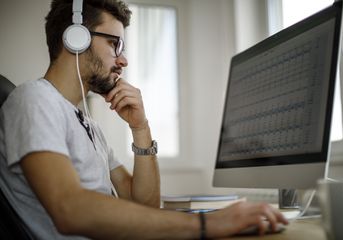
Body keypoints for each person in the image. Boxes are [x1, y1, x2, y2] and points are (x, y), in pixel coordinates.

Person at [0, 0, 288, 239]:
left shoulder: (87, 125)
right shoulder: (34, 100)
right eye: (115, 44)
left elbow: (145, 205)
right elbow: (69, 209)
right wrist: (208, 225)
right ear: (76, 39)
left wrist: (141, 127)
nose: (123, 60)